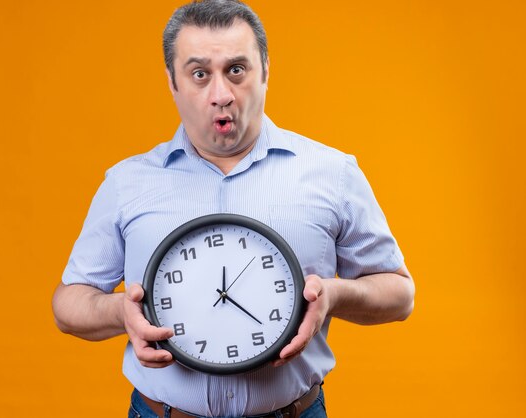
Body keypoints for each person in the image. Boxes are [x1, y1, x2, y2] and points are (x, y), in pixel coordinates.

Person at [52, 1, 415, 417]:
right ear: (172, 81)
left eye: (237, 70)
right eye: (200, 74)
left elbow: (400, 295)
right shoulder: (127, 182)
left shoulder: (332, 173)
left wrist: (334, 294)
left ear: (266, 71)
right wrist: (119, 311)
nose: (221, 94)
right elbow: (69, 302)